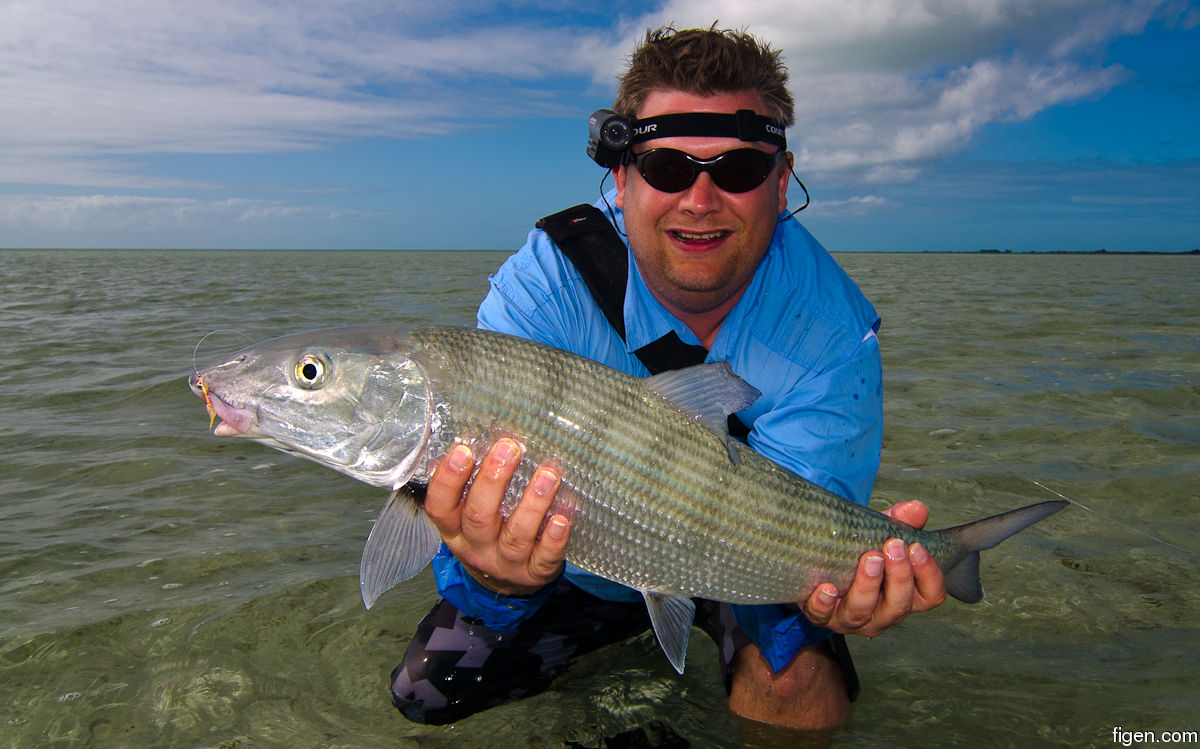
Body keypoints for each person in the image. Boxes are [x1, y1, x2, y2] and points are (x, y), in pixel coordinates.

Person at [390, 26, 947, 731]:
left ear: (781, 183)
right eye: (667, 168)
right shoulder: (545, 285)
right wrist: (499, 575)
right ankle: (599, 682)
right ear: (621, 182)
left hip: (741, 562)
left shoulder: (832, 332)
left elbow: (803, 534)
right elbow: (470, 512)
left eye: (739, 169)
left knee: (794, 685)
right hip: (570, 562)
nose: (701, 198)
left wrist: (838, 592)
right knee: (428, 690)